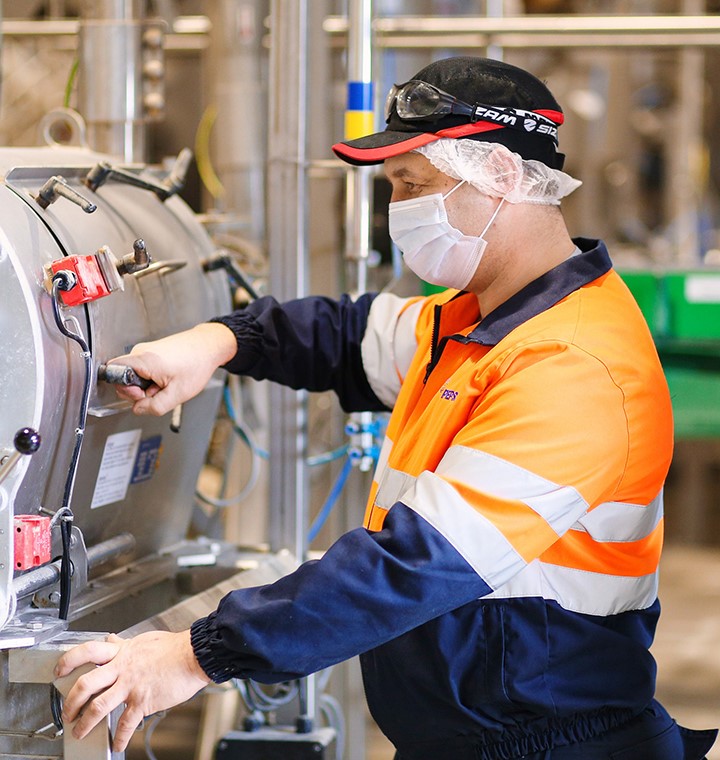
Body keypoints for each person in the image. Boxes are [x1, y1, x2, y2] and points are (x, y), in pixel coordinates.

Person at [55, 56, 718, 759]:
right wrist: (217, 341)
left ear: (497, 176)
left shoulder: (572, 364)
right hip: (475, 736)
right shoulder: (474, 321)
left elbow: (413, 565)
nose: (399, 208)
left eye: (413, 184)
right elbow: (346, 335)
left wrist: (195, 656)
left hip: (550, 743)